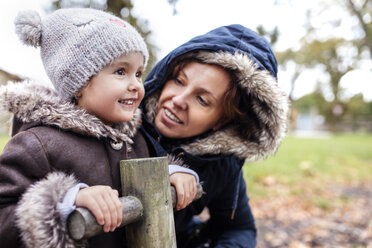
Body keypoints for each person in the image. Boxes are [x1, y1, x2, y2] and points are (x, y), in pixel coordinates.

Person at [0, 8, 198, 248]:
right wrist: (67, 202)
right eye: (120, 71)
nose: (136, 84)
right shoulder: (38, 143)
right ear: (79, 82)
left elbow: (145, 177)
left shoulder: (134, 136)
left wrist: (172, 173)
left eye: (138, 73)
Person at [140, 24, 289, 247]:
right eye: (179, 81)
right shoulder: (118, 126)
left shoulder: (221, 163)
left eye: (202, 100)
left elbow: (238, 227)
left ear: (221, 121)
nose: (178, 100)